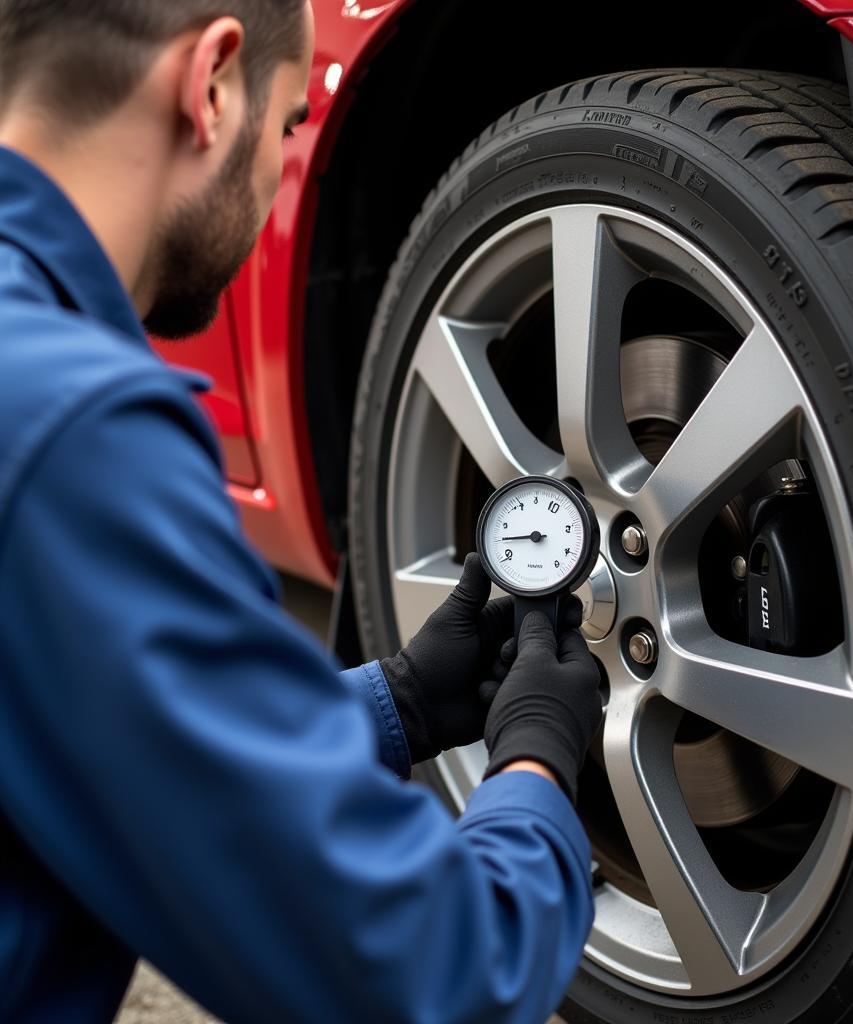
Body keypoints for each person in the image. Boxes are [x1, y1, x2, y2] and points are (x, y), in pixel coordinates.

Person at [0, 1, 604, 1021]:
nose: (283, 170)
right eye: (287, 127)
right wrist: (538, 762)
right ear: (213, 83)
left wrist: (398, 704)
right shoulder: (73, 431)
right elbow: (428, 974)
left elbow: (106, 733)